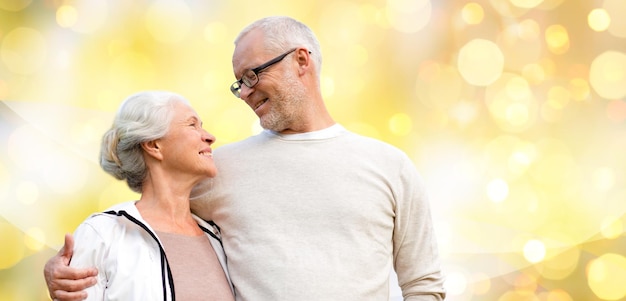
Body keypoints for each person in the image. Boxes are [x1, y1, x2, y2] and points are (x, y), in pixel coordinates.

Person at [44, 16, 446, 300]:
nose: (246, 92)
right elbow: (151, 217)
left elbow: (424, 285)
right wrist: (61, 271)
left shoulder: (390, 166)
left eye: (253, 75)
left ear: (301, 61)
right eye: (239, 84)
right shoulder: (218, 170)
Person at [44, 91, 235, 300]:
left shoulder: (218, 238)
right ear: (153, 145)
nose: (209, 136)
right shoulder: (103, 235)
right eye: (192, 125)